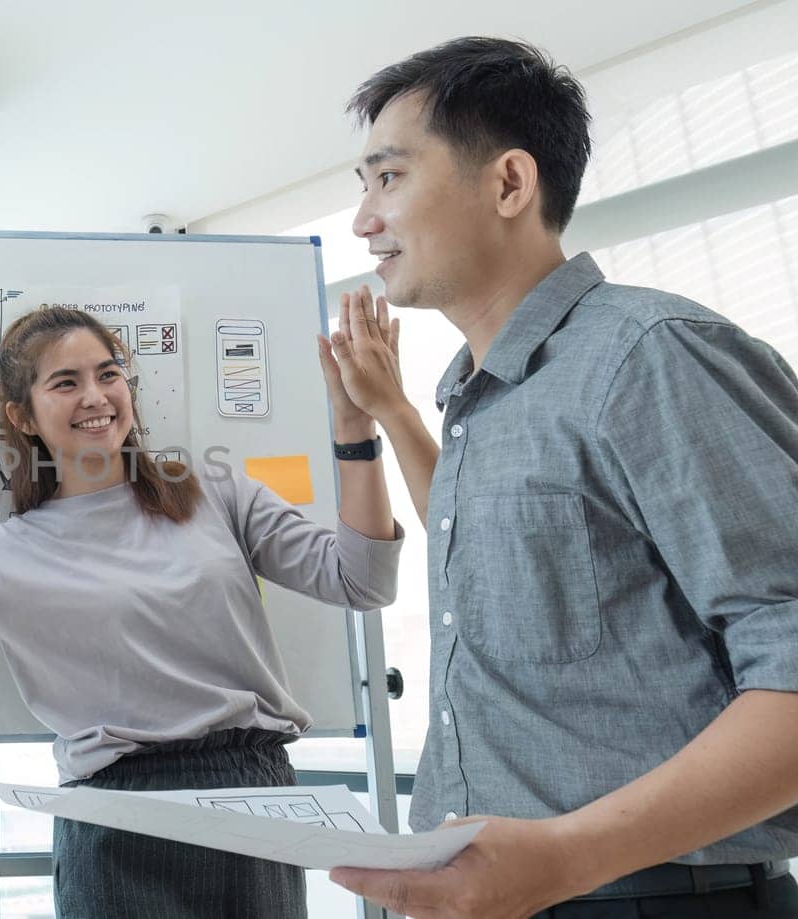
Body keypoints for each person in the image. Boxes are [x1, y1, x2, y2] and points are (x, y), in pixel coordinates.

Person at [316, 38, 798, 918]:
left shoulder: (649, 357)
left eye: (387, 179)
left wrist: (566, 860)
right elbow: (485, 543)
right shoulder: (472, 392)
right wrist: (387, 412)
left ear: (509, 184)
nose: (361, 221)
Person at [0, 306, 404, 918]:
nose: (95, 396)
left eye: (108, 374)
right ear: (23, 416)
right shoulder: (4, 557)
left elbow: (360, 580)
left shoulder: (215, 492)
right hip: (118, 817)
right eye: (65, 382)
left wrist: (355, 423)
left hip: (250, 798)